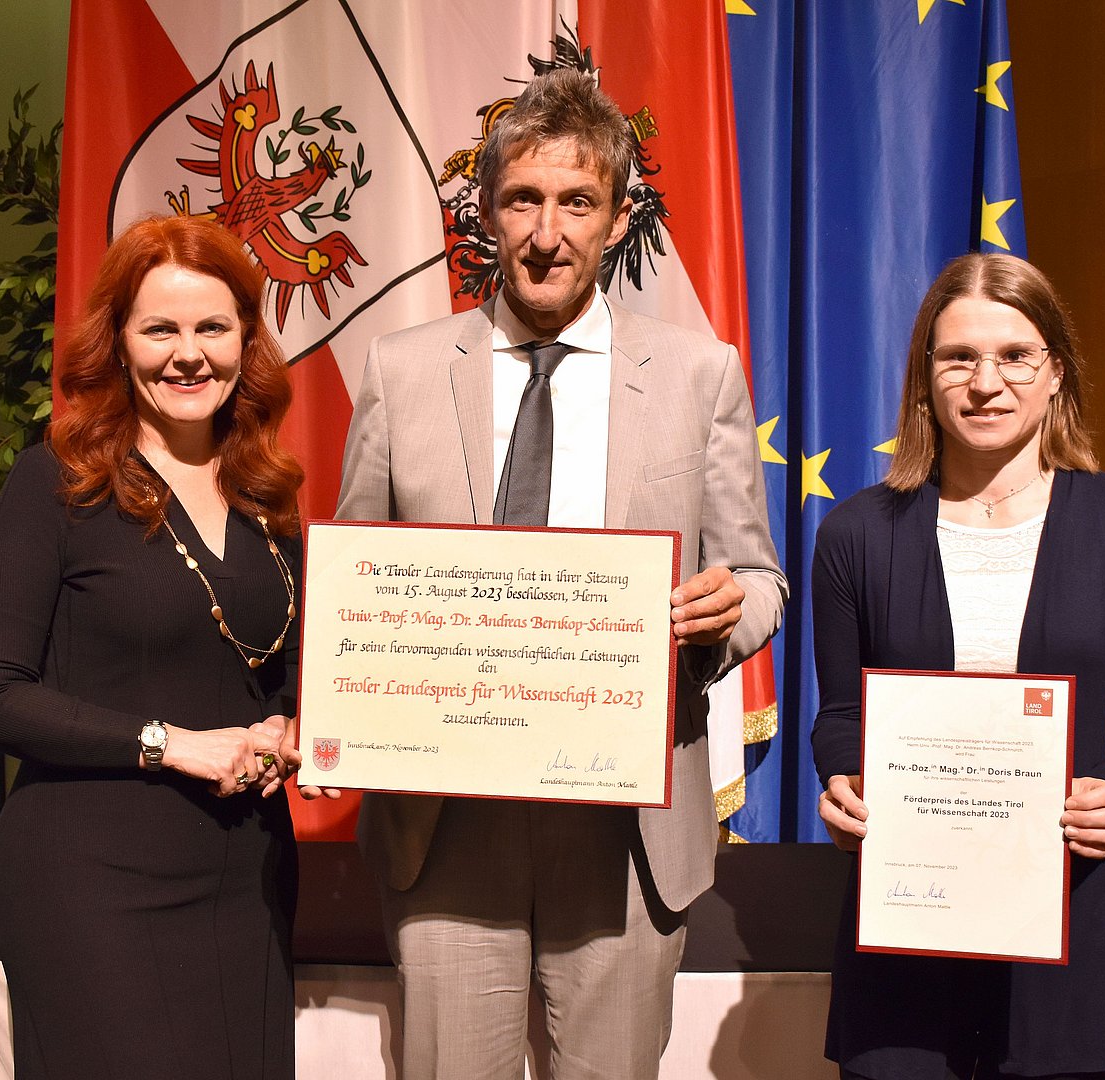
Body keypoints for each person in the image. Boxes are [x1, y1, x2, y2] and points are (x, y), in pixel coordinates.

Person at [334, 69, 787, 1079]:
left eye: (577, 202)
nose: (547, 233)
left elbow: (759, 576)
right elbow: (356, 580)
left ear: (619, 217)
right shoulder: (401, 369)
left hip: (624, 825)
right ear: (486, 213)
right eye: (523, 200)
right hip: (447, 822)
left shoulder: (699, 373)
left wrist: (726, 613)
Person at [811, 253, 1105, 1080]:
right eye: (959, 357)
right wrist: (844, 781)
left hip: (1065, 909)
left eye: (1015, 355)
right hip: (907, 917)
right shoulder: (857, 534)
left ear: (1056, 371)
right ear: (925, 377)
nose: (986, 383)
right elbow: (841, 717)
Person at [0, 215, 305, 1078]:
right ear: (117, 340)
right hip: (94, 883)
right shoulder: (57, 481)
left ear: (245, 339)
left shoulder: (266, 493)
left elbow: (275, 672)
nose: (188, 355)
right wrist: (170, 744)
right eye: (160, 330)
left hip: (248, 872)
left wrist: (289, 727)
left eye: (212, 327)